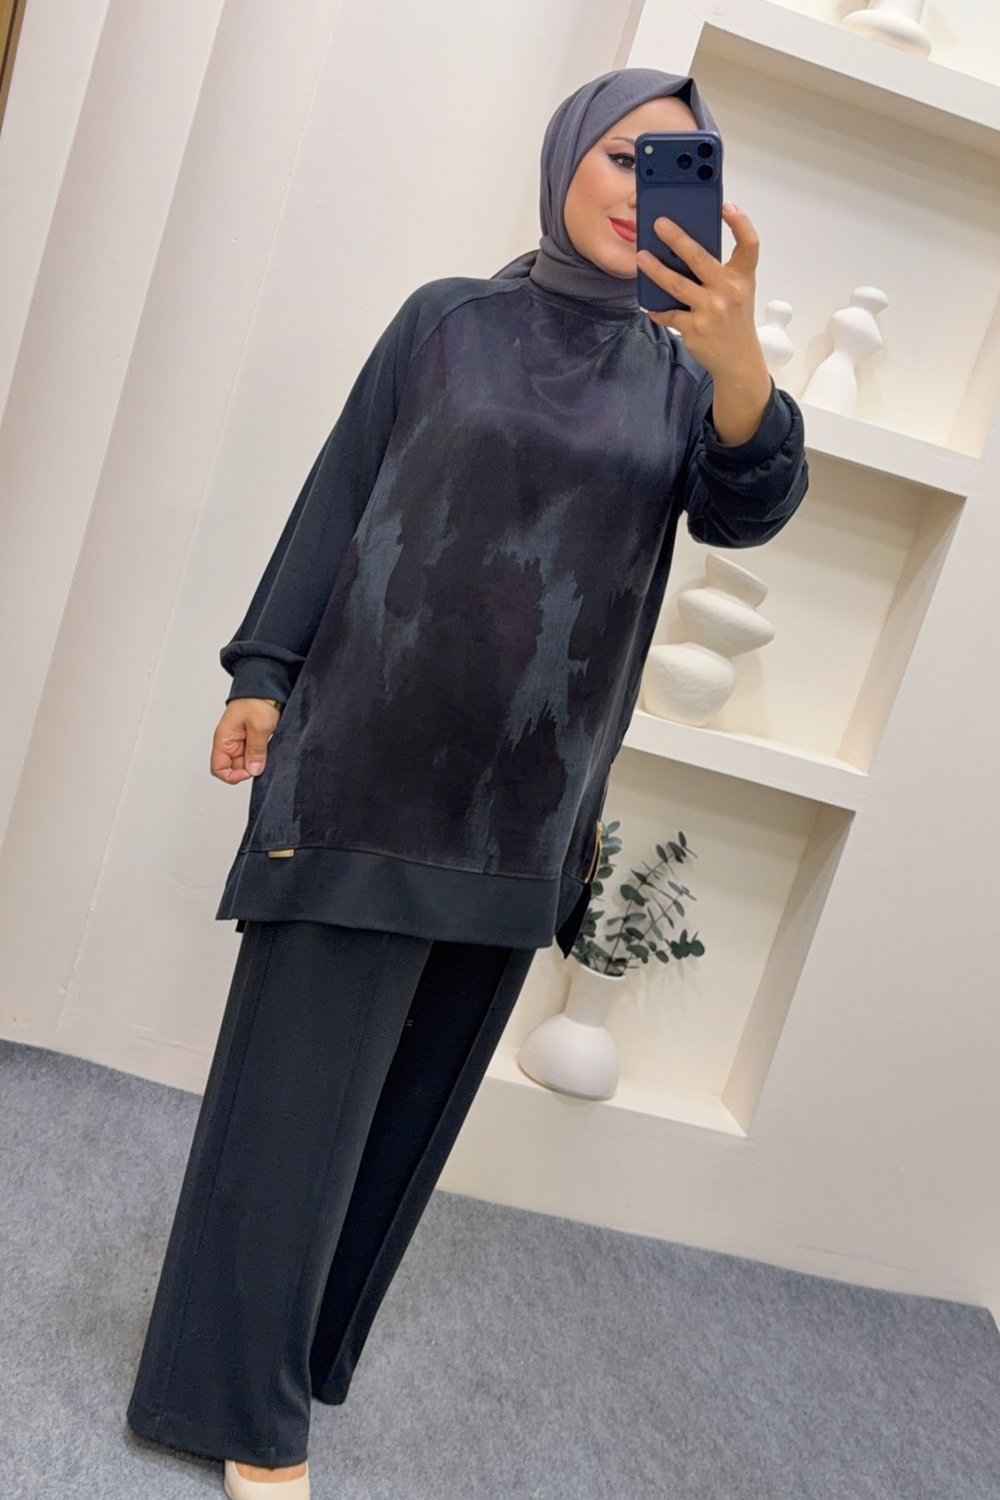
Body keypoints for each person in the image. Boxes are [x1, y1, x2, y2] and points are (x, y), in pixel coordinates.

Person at [125, 66, 809, 1498]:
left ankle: (292, 1363)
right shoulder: (446, 322)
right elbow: (341, 494)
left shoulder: (689, 380)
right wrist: (262, 672)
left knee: (403, 1120)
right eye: (623, 155)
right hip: (361, 768)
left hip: (524, 809)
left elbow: (749, 510)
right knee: (292, 1109)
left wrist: (741, 359)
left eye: (679, 168)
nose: (642, 190)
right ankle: (248, 1418)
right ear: (565, 161)